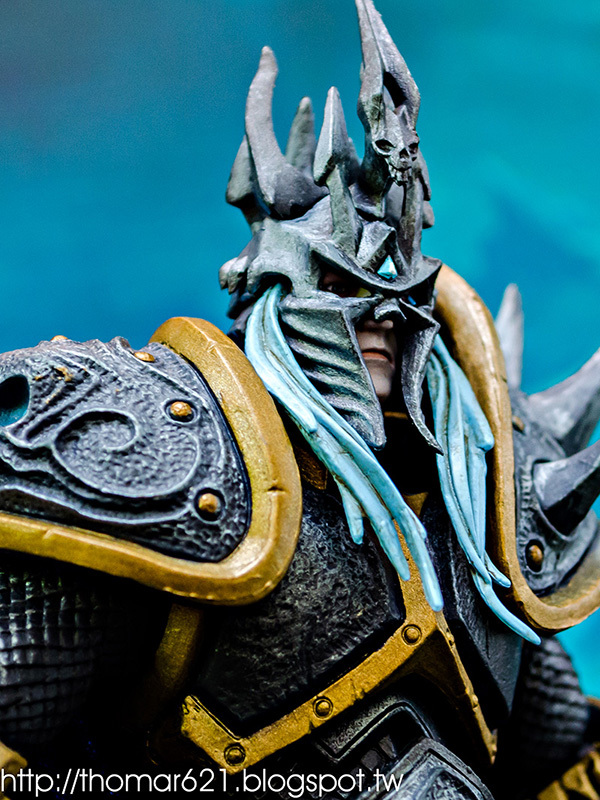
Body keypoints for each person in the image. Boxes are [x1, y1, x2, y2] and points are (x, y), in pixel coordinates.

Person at [0, 1, 598, 798]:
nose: (383, 315)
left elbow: (557, 762)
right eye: (345, 288)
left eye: (402, 296)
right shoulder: (169, 464)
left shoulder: (479, 515)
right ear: (272, 289)